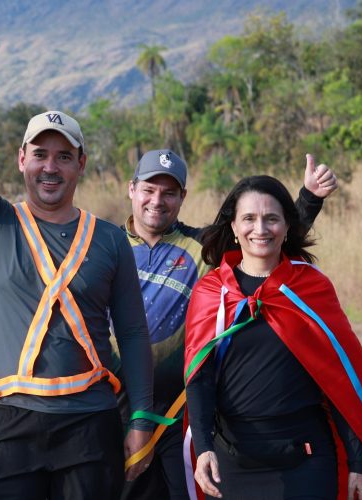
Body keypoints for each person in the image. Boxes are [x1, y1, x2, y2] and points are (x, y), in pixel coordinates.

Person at [0, 43, 154, 500]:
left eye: (63, 156)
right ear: (22, 160)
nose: (50, 167)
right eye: (40, 154)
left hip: (89, 423)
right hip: (8, 424)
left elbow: (134, 333)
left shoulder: (110, 238)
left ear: (81, 164)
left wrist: (140, 418)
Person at [118, 150, 338, 499]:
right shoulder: (105, 244)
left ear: (182, 197)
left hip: (179, 411)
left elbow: (262, 239)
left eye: (169, 192)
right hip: (114, 405)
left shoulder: (202, 247)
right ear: (132, 189)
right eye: (148, 189)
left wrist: (308, 199)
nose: (157, 200)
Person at [183, 175, 362, 499]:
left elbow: (341, 380)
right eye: (249, 218)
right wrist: (204, 448)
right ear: (233, 227)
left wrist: (357, 463)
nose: (260, 229)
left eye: (271, 219)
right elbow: (199, 378)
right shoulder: (211, 294)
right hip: (234, 463)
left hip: (306, 460)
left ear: (288, 226)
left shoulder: (311, 288)